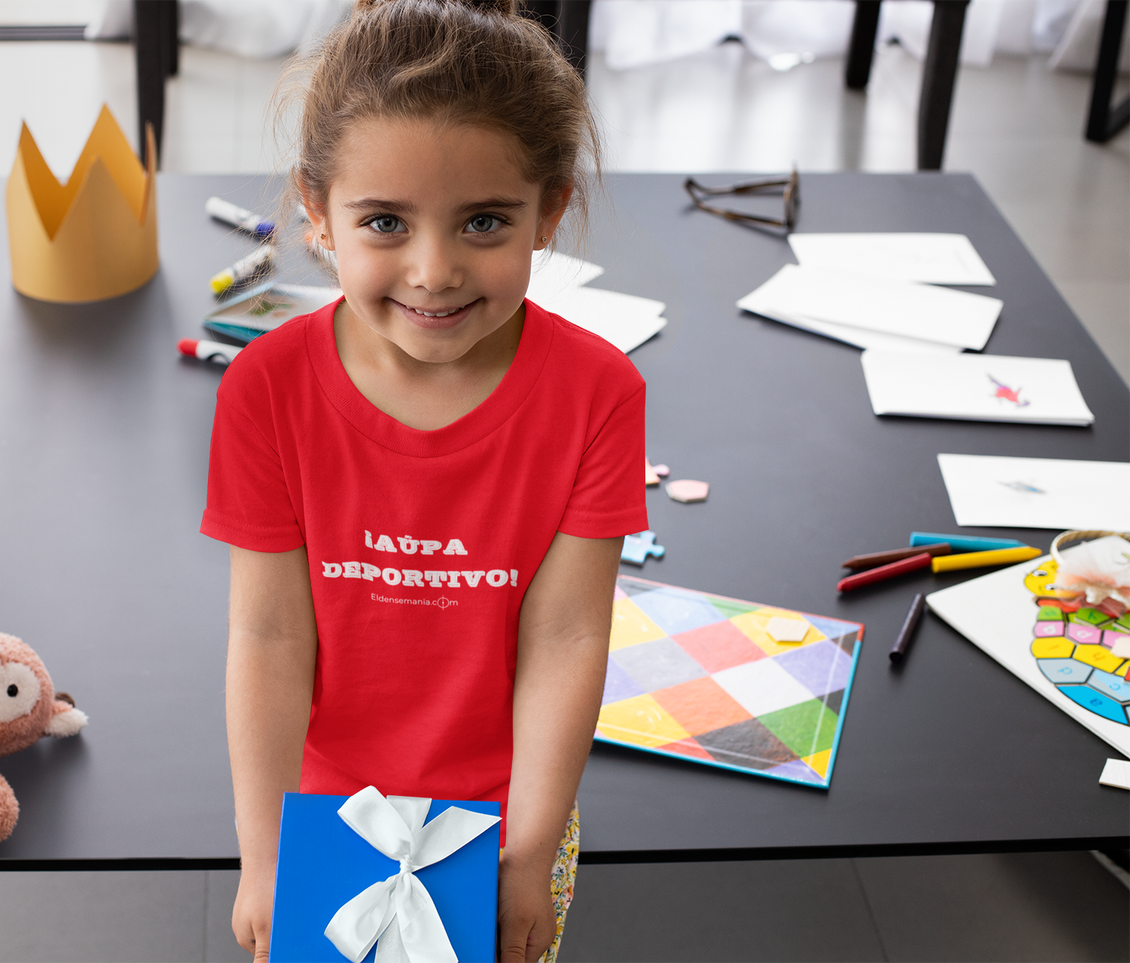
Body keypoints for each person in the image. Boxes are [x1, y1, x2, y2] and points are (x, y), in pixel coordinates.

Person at [200, 1, 648, 960]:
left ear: (549, 211)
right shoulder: (264, 389)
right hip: (319, 809)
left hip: (512, 812)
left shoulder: (599, 392)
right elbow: (268, 634)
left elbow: (568, 636)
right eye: (385, 222)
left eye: (483, 221)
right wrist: (265, 851)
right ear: (317, 213)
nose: (434, 271)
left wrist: (526, 853)